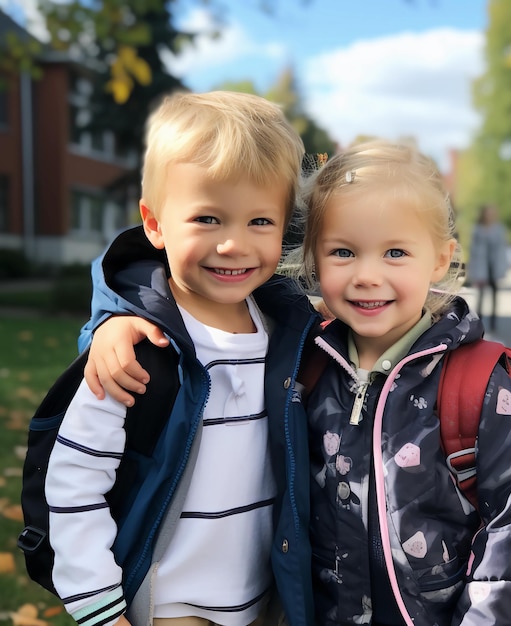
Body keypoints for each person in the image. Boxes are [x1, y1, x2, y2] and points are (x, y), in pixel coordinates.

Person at [82, 141, 511, 626]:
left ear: (439, 259)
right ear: (312, 259)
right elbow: (189, 285)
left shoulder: (482, 383)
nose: (368, 276)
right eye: (343, 252)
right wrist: (114, 318)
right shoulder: (301, 357)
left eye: (395, 253)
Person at [44, 90, 322, 626]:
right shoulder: (136, 351)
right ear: (155, 224)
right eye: (208, 219)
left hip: (266, 602)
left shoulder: (290, 333)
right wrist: (101, 609)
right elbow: (75, 481)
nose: (234, 245)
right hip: (171, 605)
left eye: (259, 222)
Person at [467, 204, 509, 332]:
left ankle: (493, 323)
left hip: (494, 267)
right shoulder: (477, 229)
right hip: (482, 267)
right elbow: (473, 250)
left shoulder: (499, 229)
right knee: (481, 296)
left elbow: (502, 248)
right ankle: (478, 321)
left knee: (494, 296)